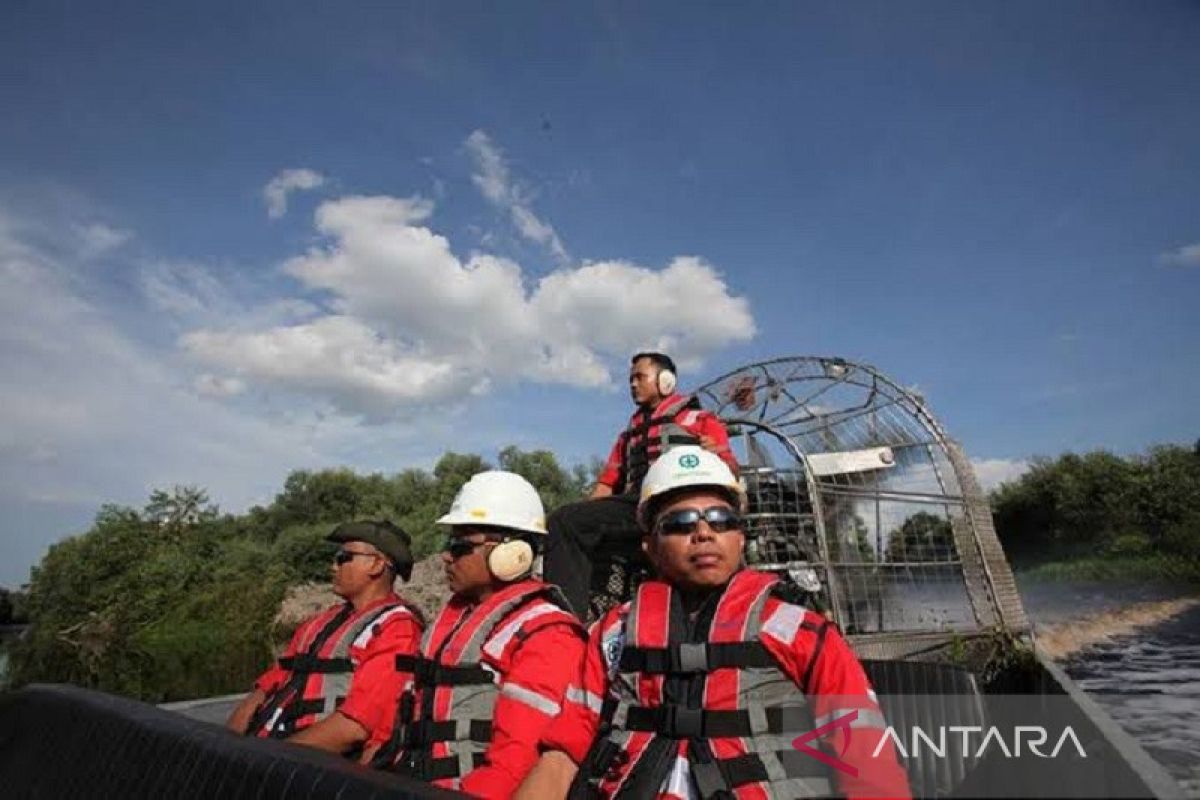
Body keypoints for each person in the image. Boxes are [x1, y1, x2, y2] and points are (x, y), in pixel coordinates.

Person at [516, 446, 911, 800]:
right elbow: (560, 755)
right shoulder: (612, 635)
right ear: (649, 547)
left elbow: (869, 766)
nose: (704, 533)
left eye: (721, 520)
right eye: (680, 523)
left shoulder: (799, 630)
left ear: (740, 538)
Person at [366, 471, 587, 799]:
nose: (446, 556)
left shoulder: (548, 635)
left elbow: (515, 762)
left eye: (459, 546)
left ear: (513, 555)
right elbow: (398, 719)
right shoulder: (451, 620)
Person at [544, 351, 738, 616]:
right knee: (567, 523)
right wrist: (583, 518)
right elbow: (606, 484)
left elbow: (731, 470)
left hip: (677, 504)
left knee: (566, 523)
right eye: (630, 380)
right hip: (637, 506)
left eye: (640, 377)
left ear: (666, 380)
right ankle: (578, 619)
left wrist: (716, 453)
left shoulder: (700, 420)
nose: (633, 385)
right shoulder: (629, 434)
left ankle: (561, 623)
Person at [225, 520, 422, 757]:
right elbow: (269, 684)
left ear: (377, 564)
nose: (333, 566)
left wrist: (272, 757)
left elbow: (355, 727)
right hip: (269, 749)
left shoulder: (398, 629)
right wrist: (229, 747)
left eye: (343, 557)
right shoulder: (319, 623)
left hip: (315, 765)